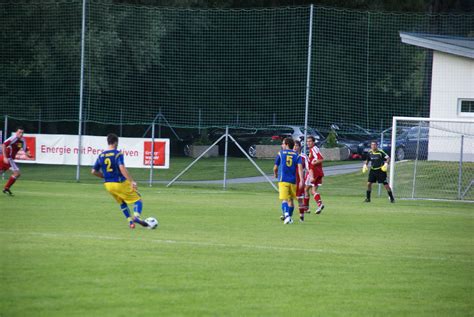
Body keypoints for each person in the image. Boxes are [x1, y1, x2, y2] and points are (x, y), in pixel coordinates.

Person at [92, 133, 150, 229]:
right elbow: (122, 168)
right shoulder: (118, 154)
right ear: (116, 142)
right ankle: (136, 216)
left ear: (108, 142)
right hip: (119, 183)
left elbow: (93, 171)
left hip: (108, 185)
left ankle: (130, 222)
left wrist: (105, 176)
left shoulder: (101, 155)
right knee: (138, 198)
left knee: (122, 202)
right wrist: (132, 181)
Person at [273, 138, 304, 224]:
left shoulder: (281, 153)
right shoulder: (296, 155)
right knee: (291, 201)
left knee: (284, 199)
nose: (282, 145)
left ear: (286, 144)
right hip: (293, 181)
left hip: (283, 180)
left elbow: (275, 167)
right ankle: (289, 218)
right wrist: (301, 180)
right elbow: (300, 168)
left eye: (283, 143)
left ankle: (286, 216)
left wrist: (275, 174)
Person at [1, 127, 31, 196]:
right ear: (16, 132)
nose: (21, 134)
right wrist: (5, 157)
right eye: (19, 132)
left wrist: (28, 154)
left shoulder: (22, 140)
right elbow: (4, 145)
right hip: (7, 158)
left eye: (22, 133)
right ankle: (6, 188)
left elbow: (25, 149)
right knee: (17, 173)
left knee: (3, 172)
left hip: (7, 159)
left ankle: (6, 188)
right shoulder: (13, 138)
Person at [306, 135, 325, 214]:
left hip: (314, 173)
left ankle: (306, 208)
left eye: (310, 141)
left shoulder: (314, 149)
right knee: (313, 191)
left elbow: (321, 159)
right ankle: (320, 204)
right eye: (307, 141)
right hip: (318, 172)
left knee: (305, 189)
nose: (308, 143)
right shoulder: (312, 149)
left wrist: (314, 163)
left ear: (313, 142)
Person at [293, 140, 310, 222]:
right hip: (291, 180)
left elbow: (308, 169)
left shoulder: (303, 157)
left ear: (300, 147)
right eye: (294, 145)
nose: (295, 147)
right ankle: (286, 214)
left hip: (299, 180)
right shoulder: (291, 155)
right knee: (288, 198)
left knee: (299, 199)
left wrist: (305, 179)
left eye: (296, 145)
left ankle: (301, 217)